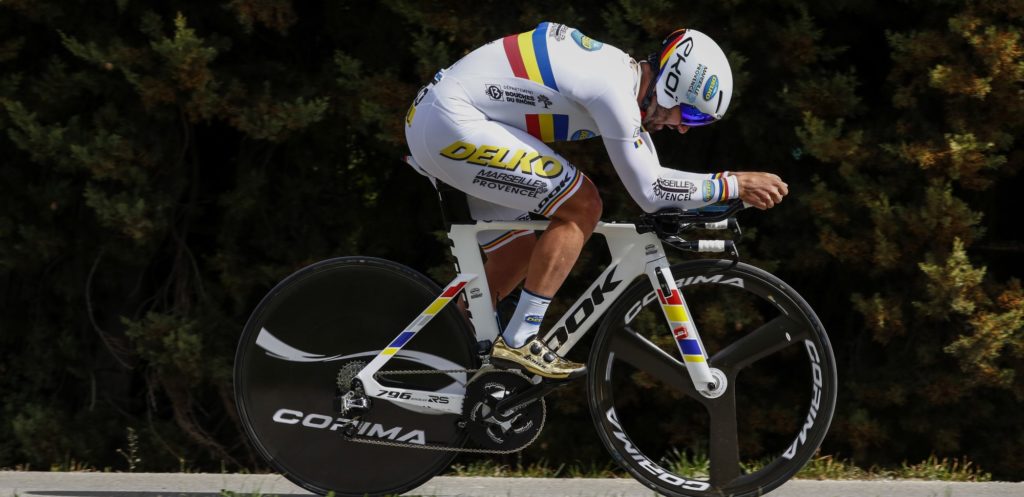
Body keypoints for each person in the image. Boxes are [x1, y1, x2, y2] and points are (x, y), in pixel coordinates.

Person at [404, 22, 788, 380]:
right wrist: (733, 183)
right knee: (582, 206)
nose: (685, 127)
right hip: (452, 121)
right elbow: (651, 191)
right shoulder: (614, 92)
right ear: (672, 84)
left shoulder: (618, 79)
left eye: (698, 123)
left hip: (445, 120)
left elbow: (657, 180)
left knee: (516, 255)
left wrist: (716, 198)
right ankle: (520, 339)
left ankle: (440, 361)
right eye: (689, 113)